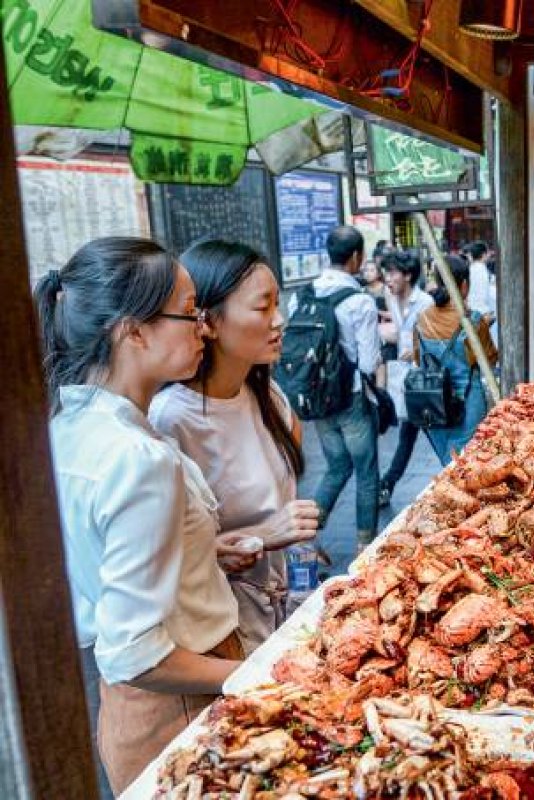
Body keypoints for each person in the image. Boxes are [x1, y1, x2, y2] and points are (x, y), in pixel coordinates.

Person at [35, 237, 244, 793]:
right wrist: (263, 675)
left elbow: (103, 554)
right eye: (189, 311)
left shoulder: (67, 429)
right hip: (179, 703)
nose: (204, 328)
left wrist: (203, 551)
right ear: (133, 330)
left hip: (128, 713)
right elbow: (136, 654)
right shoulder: (136, 457)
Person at [150, 240, 321, 652]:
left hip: (285, 618)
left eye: (278, 304)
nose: (279, 321)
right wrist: (261, 535)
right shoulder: (171, 419)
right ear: (207, 320)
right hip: (223, 637)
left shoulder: (270, 396)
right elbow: (161, 561)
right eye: (263, 308)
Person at [292, 225, 383, 551]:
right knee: (366, 472)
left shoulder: (301, 297)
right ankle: (365, 547)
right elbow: (370, 362)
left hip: (316, 399)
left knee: (337, 465)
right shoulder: (359, 302)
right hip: (352, 398)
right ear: (357, 257)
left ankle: (305, 534)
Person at [414, 254, 498, 465]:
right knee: (462, 466)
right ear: (464, 285)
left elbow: (418, 359)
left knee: (448, 464)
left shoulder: (422, 318)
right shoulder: (474, 320)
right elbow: (490, 361)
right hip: (467, 404)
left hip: (432, 402)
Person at [378, 250, 435, 505]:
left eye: (392, 273)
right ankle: (388, 483)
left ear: (408, 275)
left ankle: (387, 483)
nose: (387, 278)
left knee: (429, 432)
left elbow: (432, 339)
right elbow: (400, 333)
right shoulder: (391, 297)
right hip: (405, 379)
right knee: (410, 433)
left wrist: (415, 350)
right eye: (386, 273)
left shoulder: (424, 302)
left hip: (423, 380)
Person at [464, 240, 495, 317]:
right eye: (488, 253)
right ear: (484, 254)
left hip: (471, 310)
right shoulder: (483, 270)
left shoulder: (470, 269)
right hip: (482, 312)